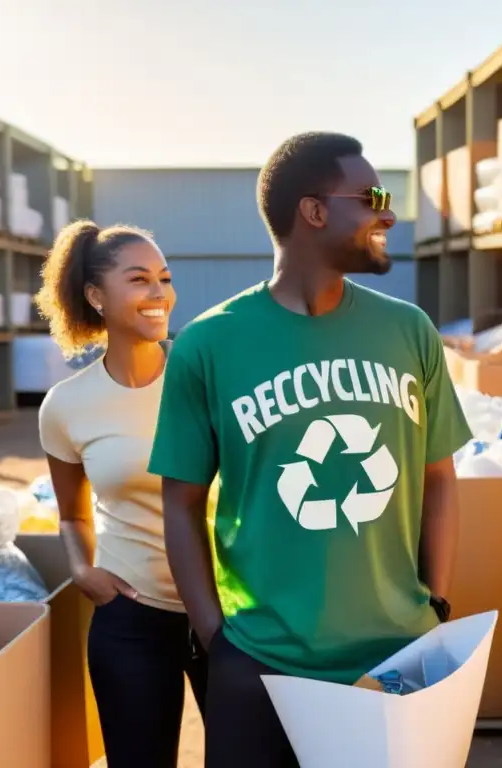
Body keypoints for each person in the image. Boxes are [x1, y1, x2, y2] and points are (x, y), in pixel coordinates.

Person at [147, 131, 473, 767]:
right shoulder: (208, 344)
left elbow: (440, 478)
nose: (389, 212)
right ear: (314, 210)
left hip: (395, 656)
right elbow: (180, 504)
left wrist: (435, 600)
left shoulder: (409, 331)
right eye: (373, 196)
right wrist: (218, 639)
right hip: (261, 661)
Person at [34, 220, 207, 768]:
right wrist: (82, 570)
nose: (159, 294)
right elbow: (71, 514)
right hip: (132, 617)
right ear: (95, 296)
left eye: (164, 278)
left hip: (228, 611)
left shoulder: (206, 374)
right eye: (139, 280)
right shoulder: (66, 405)